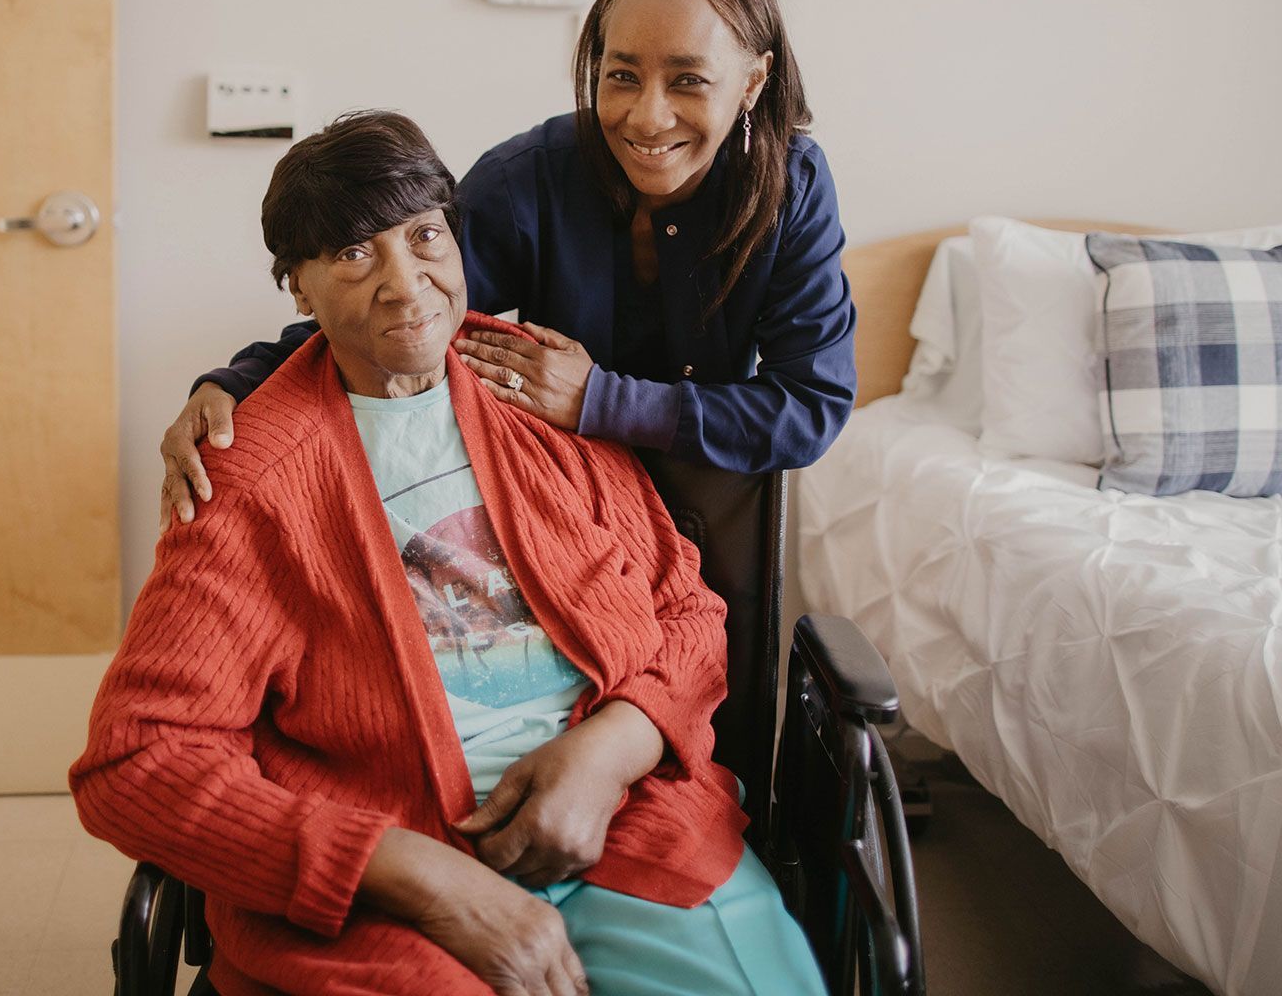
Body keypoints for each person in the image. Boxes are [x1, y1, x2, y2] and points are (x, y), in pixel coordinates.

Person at [71, 112, 823, 996]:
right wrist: (404, 872)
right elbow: (139, 759)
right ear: (298, 290)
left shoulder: (533, 384)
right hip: (382, 876)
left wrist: (614, 751)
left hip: (627, 821)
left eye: (425, 236)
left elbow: (685, 613)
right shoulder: (250, 479)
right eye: (354, 254)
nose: (404, 284)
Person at [159, 0, 855, 534]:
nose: (647, 117)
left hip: (715, 510)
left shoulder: (791, 188)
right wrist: (234, 381)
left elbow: (809, 410)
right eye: (621, 76)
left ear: (754, 81)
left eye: (688, 80)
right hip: (568, 512)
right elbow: (408, 308)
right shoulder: (530, 178)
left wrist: (599, 400)